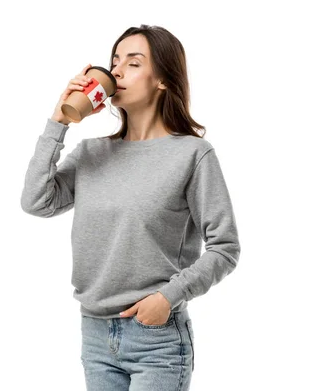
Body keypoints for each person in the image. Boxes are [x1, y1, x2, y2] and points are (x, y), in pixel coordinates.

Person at [20, 24, 240, 391]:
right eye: (114, 61)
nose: (117, 71)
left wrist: (167, 298)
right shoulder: (92, 153)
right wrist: (59, 120)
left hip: (156, 337)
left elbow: (225, 247)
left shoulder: (192, 154)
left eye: (133, 63)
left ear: (163, 81)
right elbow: (36, 201)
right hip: (94, 334)